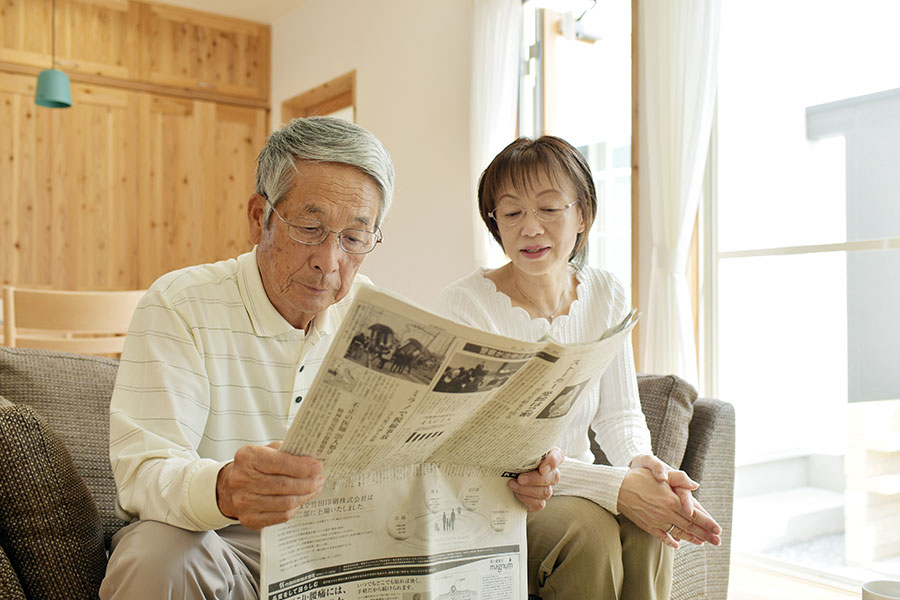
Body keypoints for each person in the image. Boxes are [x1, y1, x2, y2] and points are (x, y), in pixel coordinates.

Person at [100, 117, 562, 599]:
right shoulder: (181, 303)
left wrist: (512, 475)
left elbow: (423, 464)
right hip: (223, 546)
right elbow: (143, 472)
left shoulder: (379, 319)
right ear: (259, 218)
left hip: (346, 550)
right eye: (309, 228)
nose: (329, 259)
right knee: (157, 553)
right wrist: (225, 488)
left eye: (354, 238)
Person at [438, 136, 723, 600]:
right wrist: (618, 486)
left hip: (578, 484)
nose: (531, 228)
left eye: (549, 208)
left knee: (651, 525)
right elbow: (490, 446)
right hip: (497, 495)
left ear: (582, 215)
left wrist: (642, 465)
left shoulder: (606, 293)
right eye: (511, 213)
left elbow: (619, 414)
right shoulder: (467, 305)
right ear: (495, 223)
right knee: (589, 534)